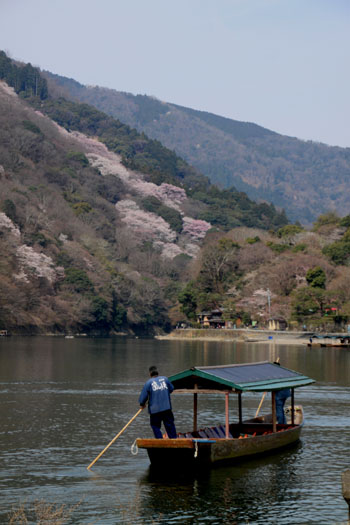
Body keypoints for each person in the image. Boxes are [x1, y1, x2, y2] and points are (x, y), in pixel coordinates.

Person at [139, 365, 177, 439]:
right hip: (166, 408)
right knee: (169, 425)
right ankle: (173, 439)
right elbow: (171, 389)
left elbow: (143, 398)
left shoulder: (148, 383)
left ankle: (159, 440)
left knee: (155, 426)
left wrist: (142, 404)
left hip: (155, 410)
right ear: (157, 372)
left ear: (150, 374)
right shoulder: (165, 379)